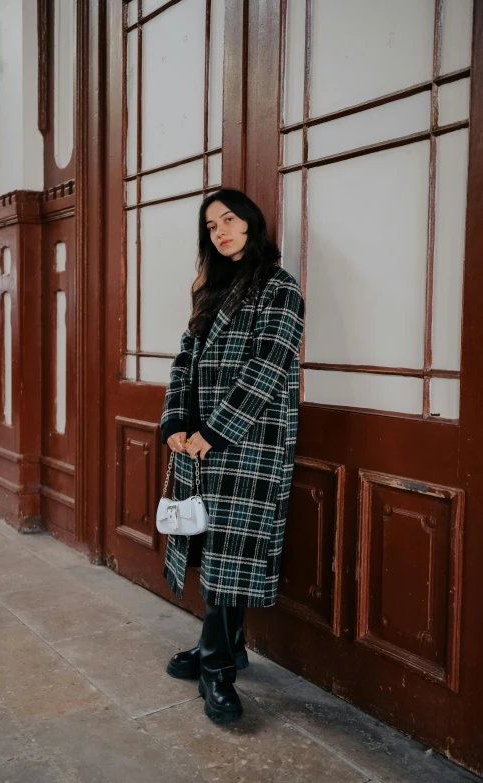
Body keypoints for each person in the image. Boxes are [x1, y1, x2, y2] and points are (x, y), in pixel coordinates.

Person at [160, 188, 305, 723]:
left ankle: (216, 668)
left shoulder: (280, 288)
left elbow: (268, 370)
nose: (220, 230)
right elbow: (182, 360)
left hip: (249, 444)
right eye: (211, 225)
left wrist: (215, 432)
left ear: (251, 223)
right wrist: (175, 421)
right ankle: (226, 648)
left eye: (229, 219)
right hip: (198, 444)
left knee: (229, 558)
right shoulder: (211, 290)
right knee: (214, 552)